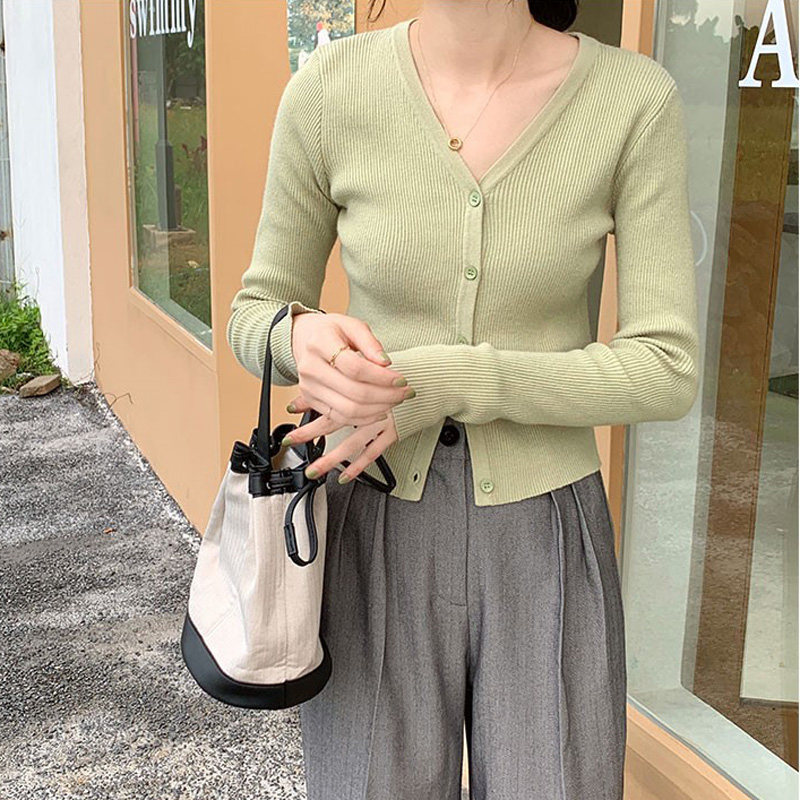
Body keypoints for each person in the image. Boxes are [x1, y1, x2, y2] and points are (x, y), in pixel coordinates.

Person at [226, 1, 699, 798]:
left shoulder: (632, 100)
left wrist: (442, 381)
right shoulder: (331, 88)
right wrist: (298, 335)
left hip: (546, 533)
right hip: (369, 514)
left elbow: (667, 366)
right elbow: (253, 313)